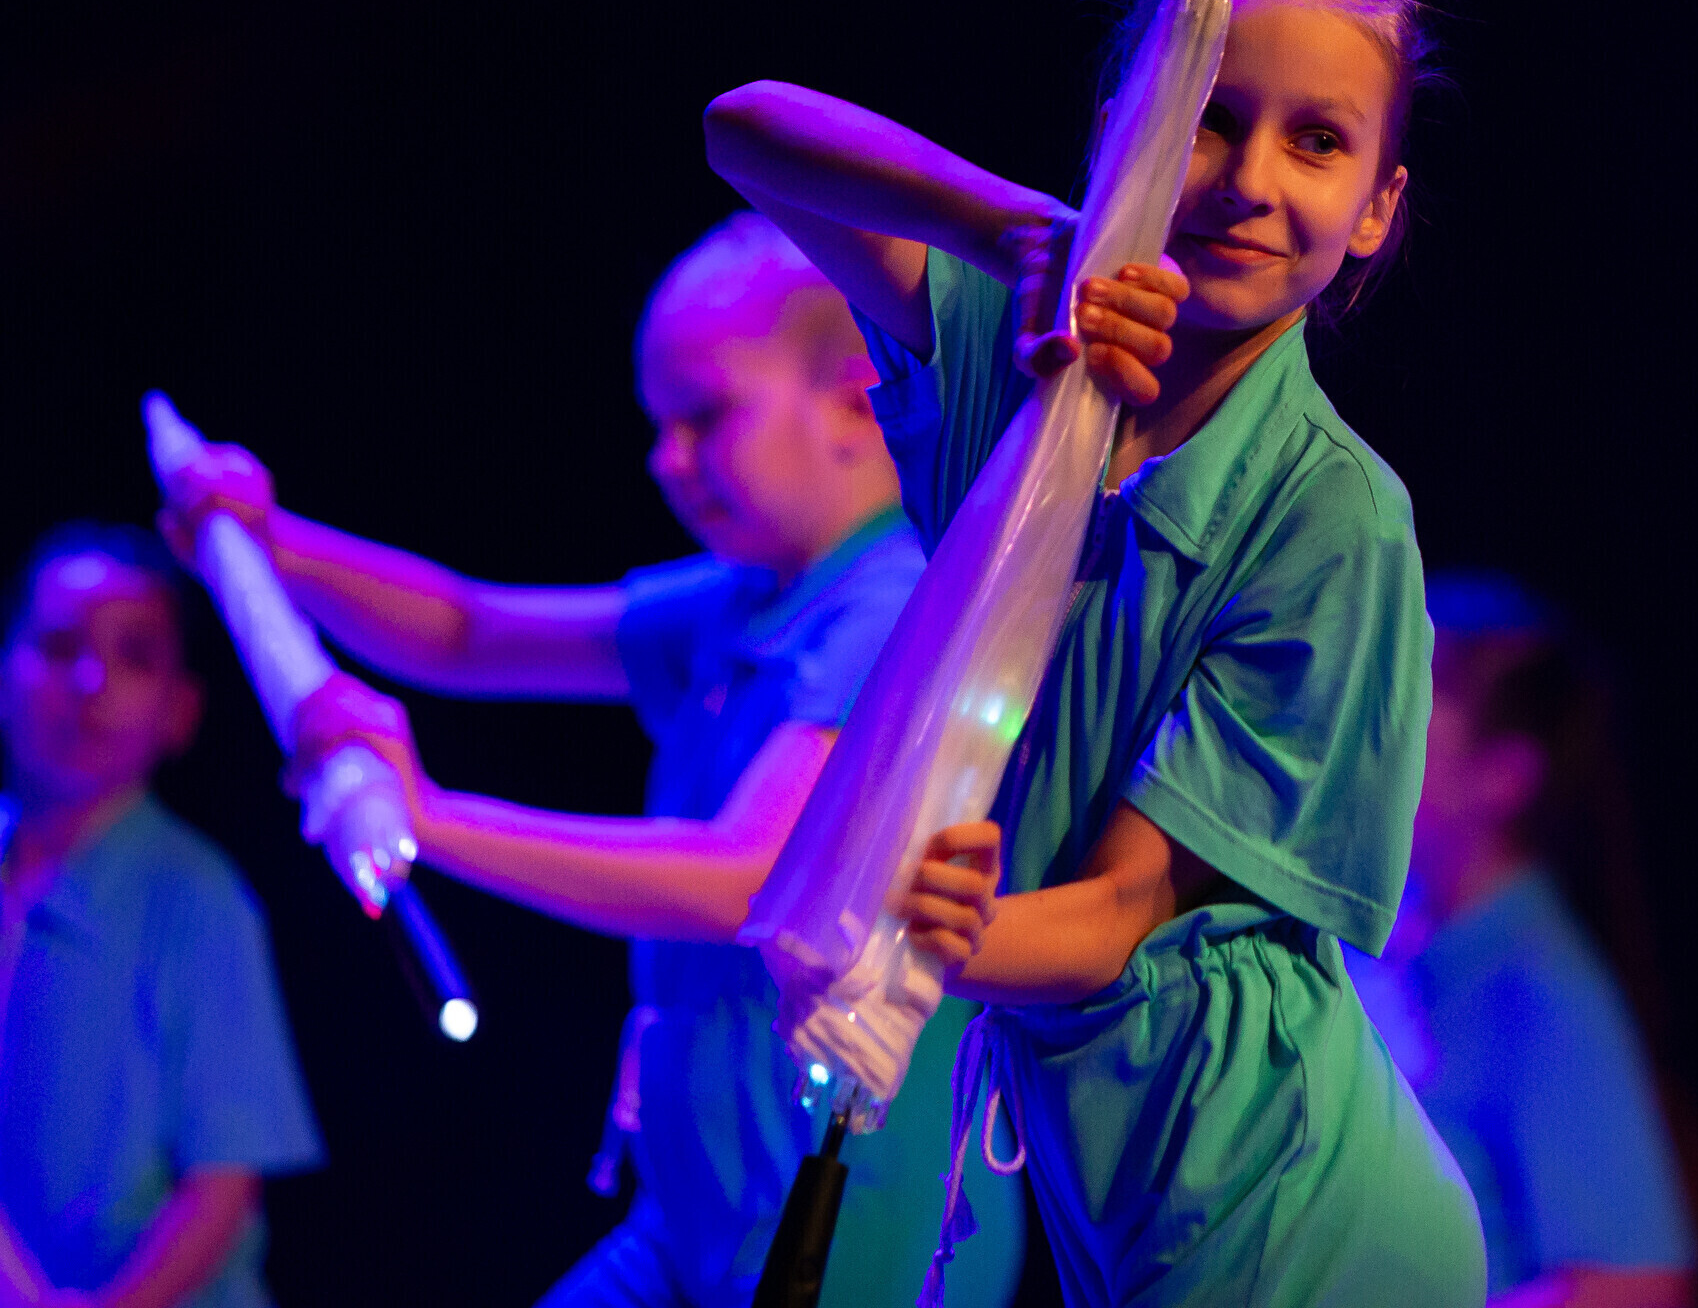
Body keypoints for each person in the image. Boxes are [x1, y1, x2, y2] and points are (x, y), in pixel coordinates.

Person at [704, 0, 1484, 1305]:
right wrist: (1011, 226)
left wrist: (922, 934)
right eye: (1210, 116)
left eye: (1319, 140)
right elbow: (747, 130)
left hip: (1281, 1194)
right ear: (1127, 124)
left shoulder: (1335, 514)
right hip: (1129, 1189)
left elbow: (1128, 906)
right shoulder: (1008, 350)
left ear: (1378, 206)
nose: (1251, 178)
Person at [153, 217, 1023, 1308]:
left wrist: (429, 816)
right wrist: (267, 541)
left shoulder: (891, 600)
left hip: (843, 1203)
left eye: (706, 417)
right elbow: (469, 632)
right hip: (704, 1199)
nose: (666, 457)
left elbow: (750, 877)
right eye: (660, 425)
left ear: (855, 401)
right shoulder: (742, 602)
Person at [1345, 571, 1698, 1308]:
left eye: (1410, 702)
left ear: (1503, 777)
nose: (1361, 722)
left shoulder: (1539, 989)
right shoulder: (1384, 945)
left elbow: (1636, 1289)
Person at [1, 526, 321, 1308]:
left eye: (135, 656)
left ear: (181, 710)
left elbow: (220, 1190)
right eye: (58, 645)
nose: (90, 681)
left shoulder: (200, 901)